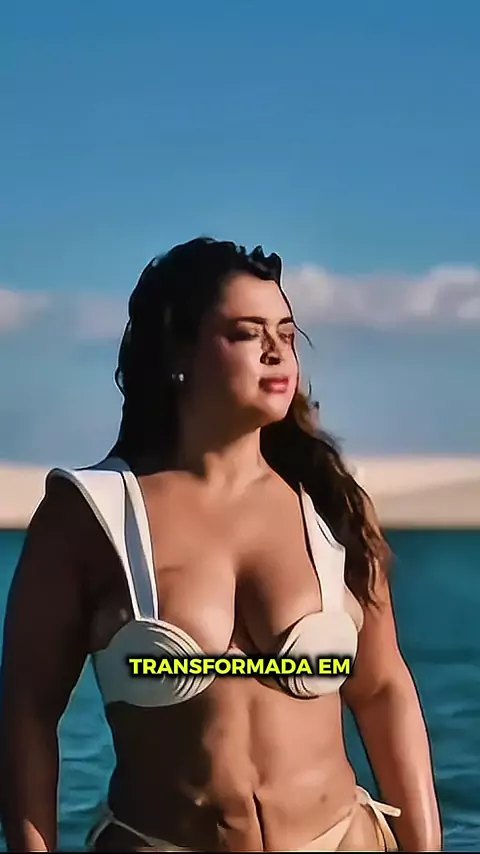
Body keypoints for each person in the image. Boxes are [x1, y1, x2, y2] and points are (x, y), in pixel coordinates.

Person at [0, 238, 442, 853]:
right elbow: (26, 710)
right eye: (246, 332)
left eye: (286, 333)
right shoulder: (91, 514)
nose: (276, 351)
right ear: (177, 352)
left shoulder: (328, 503)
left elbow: (382, 688)